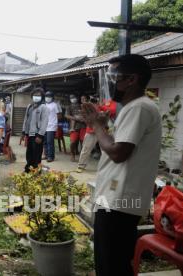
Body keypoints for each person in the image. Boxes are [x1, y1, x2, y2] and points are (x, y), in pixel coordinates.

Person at [82, 54, 161, 276]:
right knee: (112, 263)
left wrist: (97, 127)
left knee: (111, 266)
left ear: (132, 79)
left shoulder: (139, 108)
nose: (114, 83)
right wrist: (102, 125)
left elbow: (118, 152)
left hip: (120, 202)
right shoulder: (134, 107)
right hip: (117, 200)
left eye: (116, 77)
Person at [22, 88, 49, 172]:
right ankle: (28, 170)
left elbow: (45, 122)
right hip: (29, 134)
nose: (36, 97)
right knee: (29, 154)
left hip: (37, 135)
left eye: (38, 95)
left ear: (42, 97)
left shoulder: (43, 107)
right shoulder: (30, 106)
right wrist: (23, 131)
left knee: (36, 155)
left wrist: (40, 135)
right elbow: (26, 119)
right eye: (35, 95)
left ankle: (36, 172)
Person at [77, 97, 98, 173]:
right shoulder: (87, 108)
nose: (93, 102)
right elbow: (84, 118)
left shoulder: (104, 105)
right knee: (86, 149)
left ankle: (107, 168)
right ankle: (81, 165)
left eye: (95, 100)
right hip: (91, 131)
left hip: (103, 131)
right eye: (91, 101)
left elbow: (111, 111)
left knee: (106, 151)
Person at [65, 94, 86, 162]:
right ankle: (72, 154)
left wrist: (83, 118)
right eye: (71, 98)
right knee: (72, 142)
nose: (73, 99)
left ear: (77, 98)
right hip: (73, 127)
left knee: (83, 142)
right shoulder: (69, 107)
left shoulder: (81, 105)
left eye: (74, 97)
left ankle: (82, 157)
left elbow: (87, 114)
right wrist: (75, 118)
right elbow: (66, 115)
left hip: (83, 126)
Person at [43, 91, 62, 162]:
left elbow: (58, 115)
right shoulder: (44, 105)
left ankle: (51, 157)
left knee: (50, 141)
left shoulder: (55, 105)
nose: (47, 98)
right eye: (46, 96)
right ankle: (46, 155)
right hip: (44, 126)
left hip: (52, 126)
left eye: (49, 96)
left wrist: (55, 123)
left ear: (52, 98)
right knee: (44, 142)